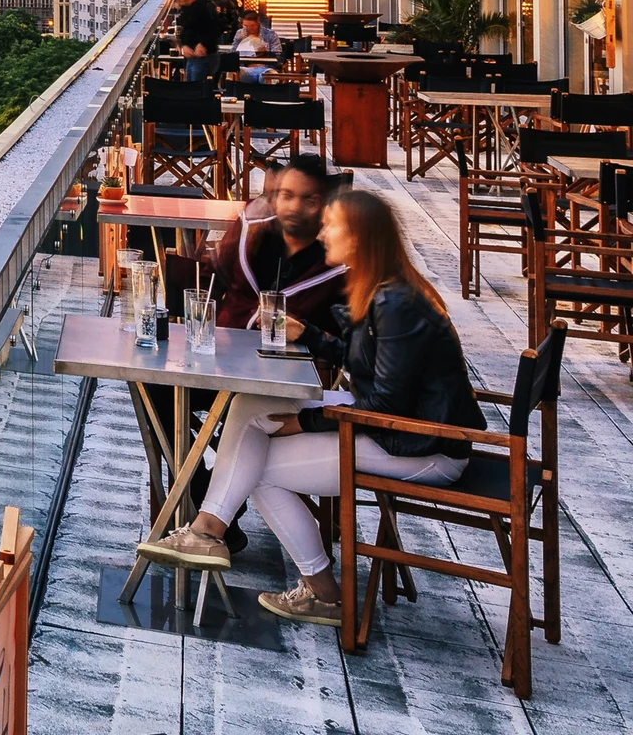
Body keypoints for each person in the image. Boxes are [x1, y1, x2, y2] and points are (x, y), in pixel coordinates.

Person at [137, 190, 483, 627]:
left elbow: (387, 403)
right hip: (397, 426)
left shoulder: (394, 302)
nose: (322, 232)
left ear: (358, 237)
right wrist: (312, 336)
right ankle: (211, 532)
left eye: (332, 224)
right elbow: (369, 366)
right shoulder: (381, 288)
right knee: (250, 402)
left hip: (422, 444)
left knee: (257, 469)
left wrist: (303, 422)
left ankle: (317, 590)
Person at [150, 155, 347, 544]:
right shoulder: (252, 232)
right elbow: (211, 279)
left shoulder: (337, 258)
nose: (293, 206)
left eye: (307, 199)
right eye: (286, 195)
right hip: (222, 361)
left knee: (242, 412)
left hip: (279, 383)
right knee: (155, 390)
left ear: (323, 203)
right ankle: (203, 495)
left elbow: (343, 341)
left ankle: (210, 512)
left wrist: (308, 335)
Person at [173, 0, 223, 83]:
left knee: (197, 91)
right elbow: (184, 31)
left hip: (204, 57)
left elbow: (216, 28)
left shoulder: (205, 6)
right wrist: (183, 45)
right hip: (192, 57)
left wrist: (203, 44)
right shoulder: (186, 8)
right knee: (192, 89)